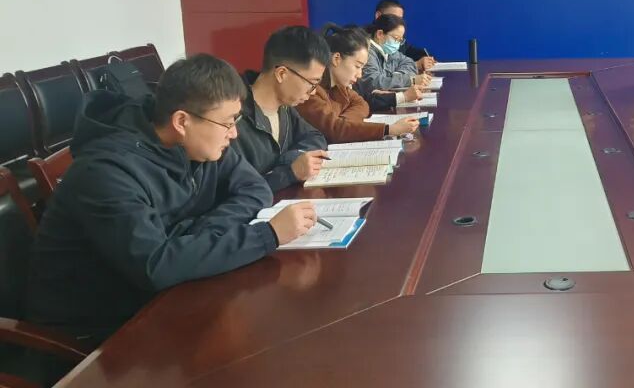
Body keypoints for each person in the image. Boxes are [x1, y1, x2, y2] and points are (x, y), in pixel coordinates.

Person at [25, 54, 318, 352]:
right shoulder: (106, 172)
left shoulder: (200, 142)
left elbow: (254, 188)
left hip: (166, 296)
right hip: (95, 333)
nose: (234, 133)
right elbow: (156, 266)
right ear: (181, 121)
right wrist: (267, 235)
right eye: (227, 122)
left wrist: (194, 236)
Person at [235, 26, 331, 192]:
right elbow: (238, 193)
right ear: (281, 74)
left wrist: (291, 159)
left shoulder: (284, 107)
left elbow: (314, 136)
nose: (313, 92)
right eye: (312, 83)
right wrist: (289, 172)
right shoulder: (233, 121)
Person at [298, 24, 420, 143]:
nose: (360, 74)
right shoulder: (311, 90)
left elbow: (362, 104)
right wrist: (389, 130)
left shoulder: (340, 86)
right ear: (336, 59)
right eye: (357, 66)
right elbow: (335, 130)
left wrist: (344, 123)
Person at [361, 14, 430, 91]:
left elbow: (409, 63)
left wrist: (397, 77)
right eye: (396, 38)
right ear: (380, 34)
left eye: (400, 40)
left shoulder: (389, 51)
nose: (397, 44)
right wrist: (410, 80)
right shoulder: (367, 52)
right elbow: (374, 83)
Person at [374, 0, 434, 71]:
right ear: (378, 15)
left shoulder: (396, 43)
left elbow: (409, 53)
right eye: (394, 18)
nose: (398, 22)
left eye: (400, 19)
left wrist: (425, 58)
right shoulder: (365, 42)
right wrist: (416, 66)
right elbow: (384, 74)